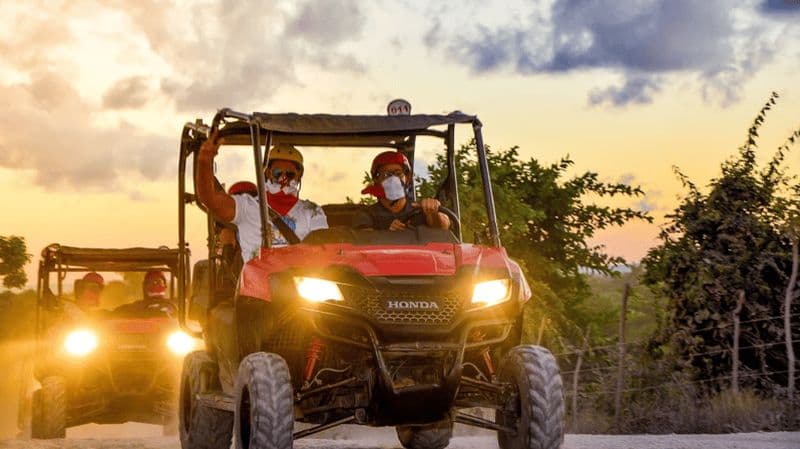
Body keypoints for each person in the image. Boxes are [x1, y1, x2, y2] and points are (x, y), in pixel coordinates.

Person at [197, 131, 328, 261]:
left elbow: (324, 252)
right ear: (268, 173)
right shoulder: (247, 206)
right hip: (256, 280)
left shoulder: (313, 212)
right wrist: (204, 162)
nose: (283, 178)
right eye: (277, 173)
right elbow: (210, 199)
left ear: (299, 176)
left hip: (302, 279)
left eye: (289, 174)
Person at [353, 151, 450, 231]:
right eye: (386, 175)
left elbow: (444, 227)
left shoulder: (420, 209)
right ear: (377, 180)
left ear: (407, 179)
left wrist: (434, 213)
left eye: (398, 173)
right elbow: (364, 242)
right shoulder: (367, 214)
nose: (393, 180)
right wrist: (386, 233)